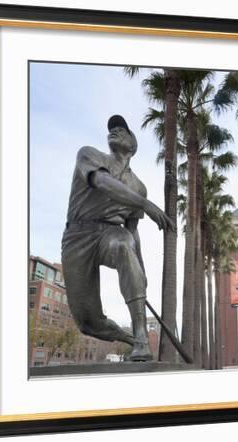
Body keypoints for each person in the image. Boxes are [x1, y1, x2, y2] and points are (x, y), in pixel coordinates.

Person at [61, 115, 175, 362]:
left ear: (133, 144)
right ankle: (131, 339)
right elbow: (102, 182)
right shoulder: (89, 154)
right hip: (78, 235)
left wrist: (140, 269)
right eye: (112, 129)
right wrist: (147, 205)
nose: (115, 131)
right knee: (88, 322)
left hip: (110, 233)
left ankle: (142, 335)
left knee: (123, 245)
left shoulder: (138, 186)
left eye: (122, 130)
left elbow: (132, 232)